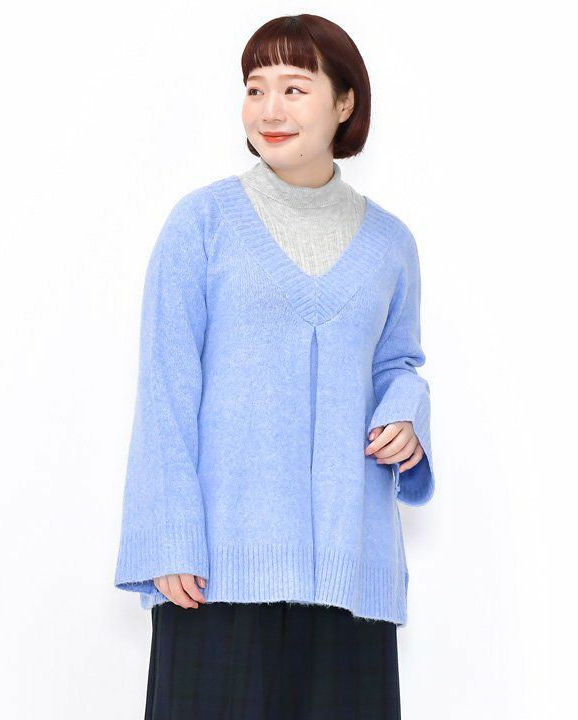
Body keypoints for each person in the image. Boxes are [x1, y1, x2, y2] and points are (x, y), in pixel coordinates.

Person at [113, 13, 436, 720]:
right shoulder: (201, 224)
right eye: (255, 88)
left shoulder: (391, 244)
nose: (269, 109)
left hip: (351, 575)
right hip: (216, 574)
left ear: (344, 102)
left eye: (294, 88)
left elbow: (399, 363)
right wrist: (169, 538)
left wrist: (406, 412)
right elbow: (165, 388)